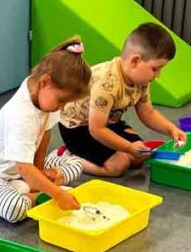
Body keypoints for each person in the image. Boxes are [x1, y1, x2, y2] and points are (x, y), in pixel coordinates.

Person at [0, 37, 90, 223]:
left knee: (77, 164)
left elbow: (45, 132)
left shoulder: (43, 94)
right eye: (61, 101)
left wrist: (40, 169)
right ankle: (36, 197)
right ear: (45, 82)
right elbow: (24, 168)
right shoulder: (21, 114)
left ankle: (33, 189)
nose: (62, 107)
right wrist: (58, 195)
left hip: (23, 171)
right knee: (14, 209)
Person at [59, 22, 187, 177]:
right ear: (135, 61)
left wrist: (171, 129)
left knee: (141, 155)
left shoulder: (141, 80)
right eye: (155, 69)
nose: (158, 75)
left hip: (108, 122)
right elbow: (96, 129)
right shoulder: (107, 84)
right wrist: (128, 147)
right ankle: (68, 158)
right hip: (78, 128)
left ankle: (105, 154)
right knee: (119, 165)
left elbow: (148, 113)